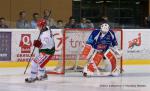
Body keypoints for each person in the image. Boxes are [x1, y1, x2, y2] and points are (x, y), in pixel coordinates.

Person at [25, 19, 55, 83]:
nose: (38, 27)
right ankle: (43, 75)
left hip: (48, 52)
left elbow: (47, 46)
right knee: (40, 63)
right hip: (45, 50)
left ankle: (33, 77)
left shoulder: (45, 36)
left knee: (34, 63)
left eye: (39, 26)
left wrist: (39, 44)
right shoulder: (47, 28)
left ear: (43, 26)